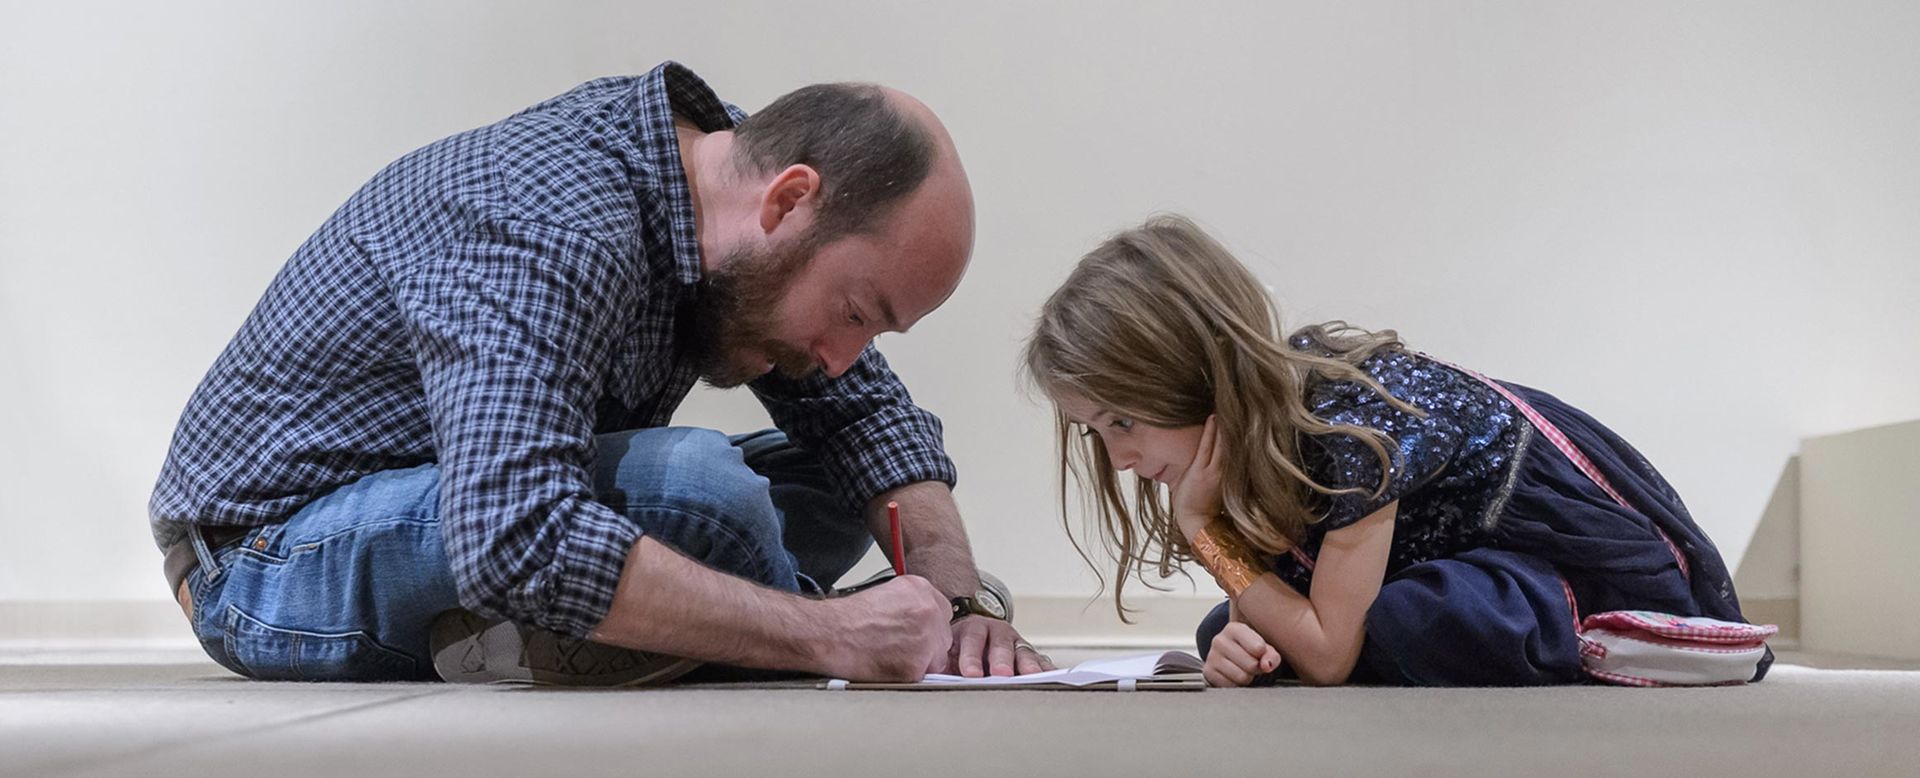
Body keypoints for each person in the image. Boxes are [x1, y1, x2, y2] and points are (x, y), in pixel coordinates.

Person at [150, 61, 1050, 685]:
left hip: (463, 512)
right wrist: (831, 636)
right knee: (705, 491)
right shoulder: (549, 217)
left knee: (829, 480)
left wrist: (958, 599)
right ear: (788, 201)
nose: (843, 356)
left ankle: (595, 630)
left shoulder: (720, 179)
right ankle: (689, 622)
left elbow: (865, 421)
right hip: (264, 562)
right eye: (856, 312)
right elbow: (515, 531)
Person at [1020, 214, 1765, 687]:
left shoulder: (1351, 425)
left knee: (1410, 622)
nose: (1117, 459)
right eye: (1097, 431)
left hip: (1572, 567)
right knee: (1232, 630)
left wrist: (1208, 538)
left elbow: (1327, 650)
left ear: (1195, 376)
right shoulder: (1257, 442)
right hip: (1443, 568)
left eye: (1122, 422)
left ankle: (1595, 635)